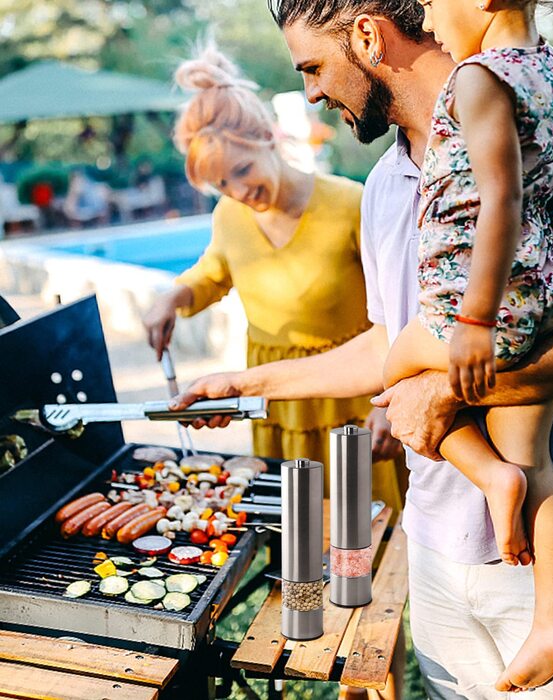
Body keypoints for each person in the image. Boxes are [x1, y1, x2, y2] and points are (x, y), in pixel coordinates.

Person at [170, 3, 553, 696]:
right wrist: (246, 383)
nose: (312, 92)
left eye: (315, 67)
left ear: (370, 36)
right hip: (436, 542)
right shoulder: (381, 184)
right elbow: (389, 343)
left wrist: (452, 392)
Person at [382, 0, 553, 690]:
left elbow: (500, 196)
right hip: (546, 284)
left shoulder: (478, 78)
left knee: (393, 373)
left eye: (435, 4)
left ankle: (488, 474)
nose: (429, 20)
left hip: (484, 302)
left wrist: (471, 320)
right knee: (537, 461)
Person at [143, 46, 404, 513]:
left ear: (267, 136)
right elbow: (214, 271)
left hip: (353, 395)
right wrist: (173, 296)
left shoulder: (349, 203)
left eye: (242, 171)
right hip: (276, 401)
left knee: (364, 526)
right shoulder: (231, 215)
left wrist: (386, 402)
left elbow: (400, 312)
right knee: (293, 527)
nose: (239, 192)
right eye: (222, 185)